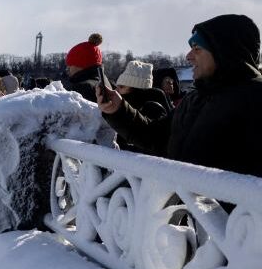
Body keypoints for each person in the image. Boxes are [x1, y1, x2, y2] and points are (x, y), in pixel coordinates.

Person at [97, 14, 262, 177]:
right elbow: (155, 136)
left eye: (197, 49)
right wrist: (118, 109)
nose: (188, 56)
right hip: (182, 201)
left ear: (224, 52)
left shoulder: (255, 98)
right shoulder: (195, 98)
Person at [110, 60, 170, 153]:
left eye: (121, 87)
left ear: (136, 90)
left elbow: (148, 145)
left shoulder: (152, 109)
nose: (116, 91)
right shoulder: (133, 106)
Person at [63, 33, 107, 102]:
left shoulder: (82, 88)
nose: (68, 69)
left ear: (80, 65)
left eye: (70, 65)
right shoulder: (108, 84)